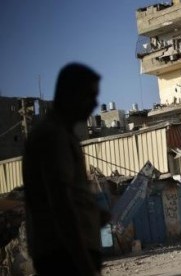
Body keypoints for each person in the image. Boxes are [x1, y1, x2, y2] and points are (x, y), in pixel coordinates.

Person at [23, 63, 109, 275]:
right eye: (89, 96)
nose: (95, 103)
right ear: (70, 95)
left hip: (66, 255)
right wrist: (85, 266)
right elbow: (60, 203)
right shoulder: (53, 136)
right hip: (64, 258)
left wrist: (93, 215)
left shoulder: (62, 134)